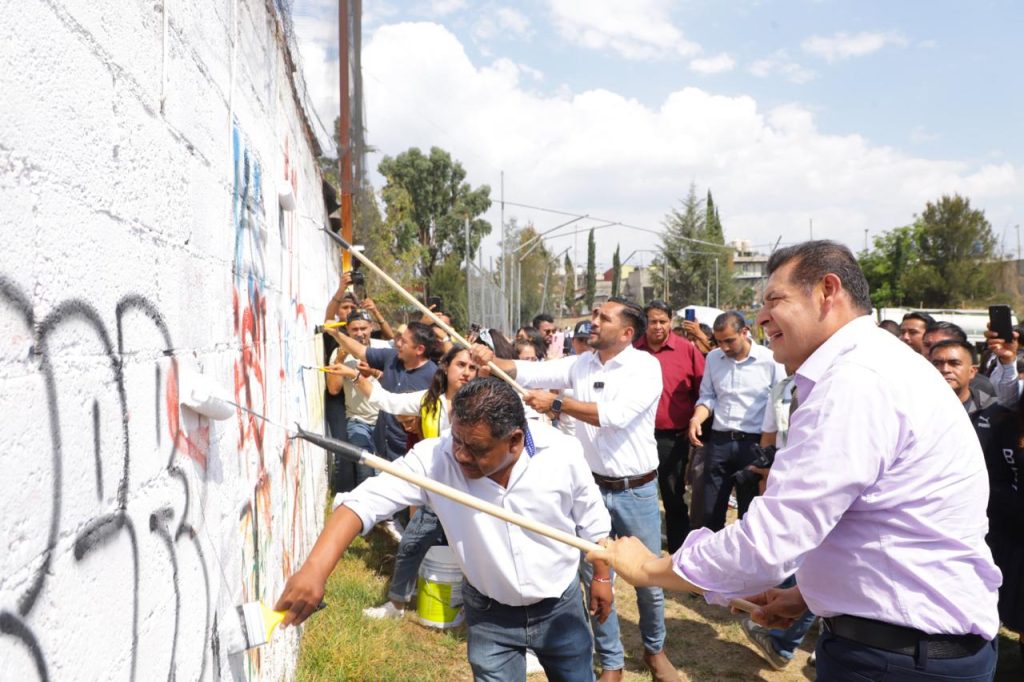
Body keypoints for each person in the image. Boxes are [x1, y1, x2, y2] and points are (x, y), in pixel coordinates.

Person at [592, 240, 1001, 681]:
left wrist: (651, 568)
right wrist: (805, 596)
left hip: (898, 658)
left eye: (774, 300)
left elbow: (769, 542)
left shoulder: (856, 381)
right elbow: (885, 521)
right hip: (904, 646)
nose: (761, 317)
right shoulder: (876, 365)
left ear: (828, 291)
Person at [275, 378, 614, 681]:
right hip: (490, 617)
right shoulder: (436, 458)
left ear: (514, 441)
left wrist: (601, 577)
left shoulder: (562, 454)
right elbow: (363, 502)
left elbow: (593, 524)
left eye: (476, 449)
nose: (461, 455)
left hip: (560, 609)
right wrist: (315, 570)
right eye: (457, 440)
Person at [474, 298, 678, 682]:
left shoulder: (645, 367)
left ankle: (655, 651)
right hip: (590, 489)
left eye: (604, 317)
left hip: (635, 490)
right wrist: (492, 360)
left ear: (627, 332)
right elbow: (530, 370)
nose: (593, 321)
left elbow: (616, 416)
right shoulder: (582, 363)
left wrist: (558, 403)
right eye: (595, 314)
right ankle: (612, 661)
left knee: (648, 579)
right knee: (595, 579)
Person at [329, 345, 480, 620]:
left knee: (470, 553)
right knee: (411, 544)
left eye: (473, 367)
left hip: (471, 495)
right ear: (446, 367)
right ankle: (397, 605)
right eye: (461, 365)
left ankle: (469, 608)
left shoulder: (481, 404)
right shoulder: (429, 400)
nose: (467, 372)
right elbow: (387, 401)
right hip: (435, 490)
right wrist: (355, 376)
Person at [687, 311, 783, 530]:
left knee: (750, 514)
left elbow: (779, 402)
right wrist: (697, 418)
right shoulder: (713, 359)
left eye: (729, 341)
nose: (724, 347)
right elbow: (708, 396)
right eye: (719, 342)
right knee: (710, 513)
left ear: (744, 332)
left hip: (754, 444)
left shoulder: (770, 360)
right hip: (719, 443)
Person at [634, 300, 705, 552]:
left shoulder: (686, 350)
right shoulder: (632, 351)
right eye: (652, 321)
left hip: (672, 439)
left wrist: (694, 422)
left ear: (671, 321)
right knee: (638, 497)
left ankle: (678, 551)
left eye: (662, 321)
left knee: (673, 496)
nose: (658, 327)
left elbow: (703, 391)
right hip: (636, 438)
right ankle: (641, 551)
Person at [332, 321, 440, 462]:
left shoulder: (434, 378)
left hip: (409, 456)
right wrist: (336, 334)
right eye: (399, 339)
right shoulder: (392, 357)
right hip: (381, 448)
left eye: (404, 342)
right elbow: (360, 351)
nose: (398, 344)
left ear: (419, 349)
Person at [324, 308, 388, 491]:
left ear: (371, 327)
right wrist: (340, 357)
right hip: (357, 420)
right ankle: (367, 507)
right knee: (365, 470)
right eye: (355, 329)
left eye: (363, 328)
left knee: (383, 471)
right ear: (348, 331)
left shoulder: (383, 348)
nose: (360, 333)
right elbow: (333, 389)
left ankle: (382, 507)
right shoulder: (339, 352)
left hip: (384, 420)